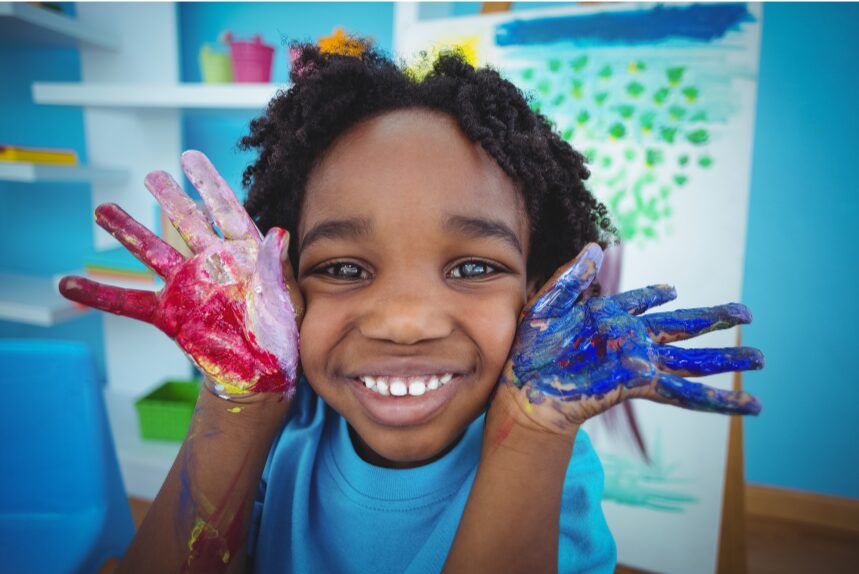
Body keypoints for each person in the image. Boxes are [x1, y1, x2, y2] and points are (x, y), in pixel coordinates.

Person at [59, 42, 764, 574]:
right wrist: (236, 406)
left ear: (539, 291)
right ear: (288, 292)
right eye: (341, 268)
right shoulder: (286, 426)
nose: (405, 321)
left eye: (473, 267)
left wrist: (531, 431)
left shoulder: (552, 460)